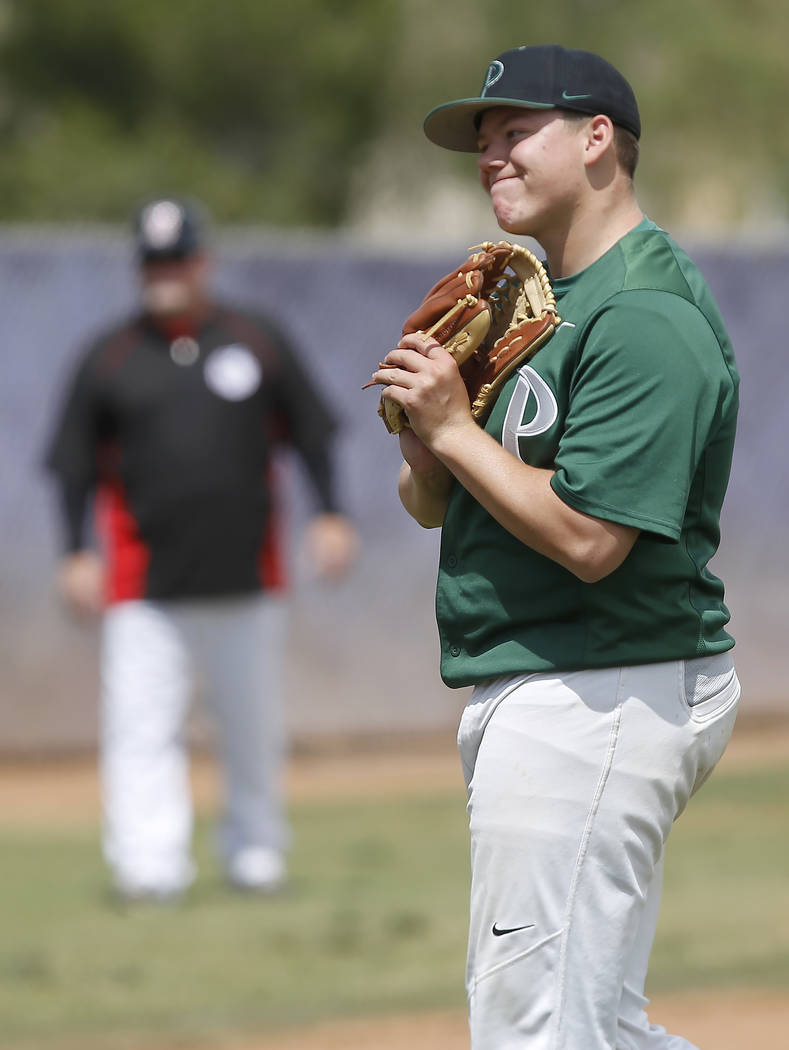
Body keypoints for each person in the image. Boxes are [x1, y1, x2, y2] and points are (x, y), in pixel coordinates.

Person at [369, 45, 740, 1050]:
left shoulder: (644, 314)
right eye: (481, 140)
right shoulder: (540, 305)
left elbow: (589, 539)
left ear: (597, 138)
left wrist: (454, 429)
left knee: (538, 1030)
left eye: (514, 130)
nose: (490, 154)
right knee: (593, 1025)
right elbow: (432, 506)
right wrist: (427, 430)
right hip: (552, 680)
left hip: (603, 683)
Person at [45, 196, 358, 902]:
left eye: (177, 259)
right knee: (141, 730)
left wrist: (331, 513)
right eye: (152, 262)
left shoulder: (255, 339)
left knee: (250, 729)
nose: (165, 274)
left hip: (248, 576)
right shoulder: (109, 356)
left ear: (202, 260)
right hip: (143, 586)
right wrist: (73, 550)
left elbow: (311, 431)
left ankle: (255, 855)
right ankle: (148, 866)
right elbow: (71, 463)